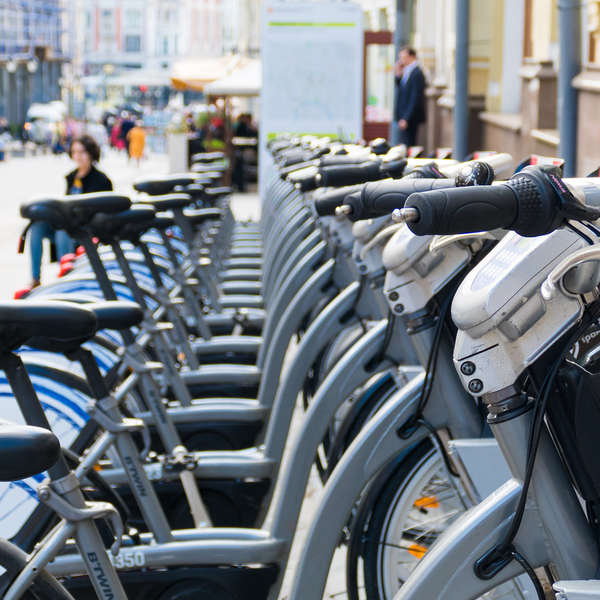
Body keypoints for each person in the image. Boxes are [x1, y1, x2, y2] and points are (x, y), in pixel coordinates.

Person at [27, 135, 113, 288]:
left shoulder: (101, 180)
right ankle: (35, 278)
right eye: (74, 152)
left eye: (82, 152)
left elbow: (101, 212)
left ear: (91, 153)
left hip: (88, 230)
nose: (78, 156)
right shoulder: (72, 177)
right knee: (37, 226)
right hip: (70, 225)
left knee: (63, 230)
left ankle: (65, 277)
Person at [394, 46, 426, 147]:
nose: (401, 61)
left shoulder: (417, 73)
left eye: (403, 57)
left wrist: (406, 118)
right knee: (404, 143)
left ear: (411, 57)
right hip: (404, 116)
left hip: (410, 118)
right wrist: (398, 76)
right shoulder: (406, 71)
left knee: (409, 144)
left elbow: (415, 98)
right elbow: (403, 91)